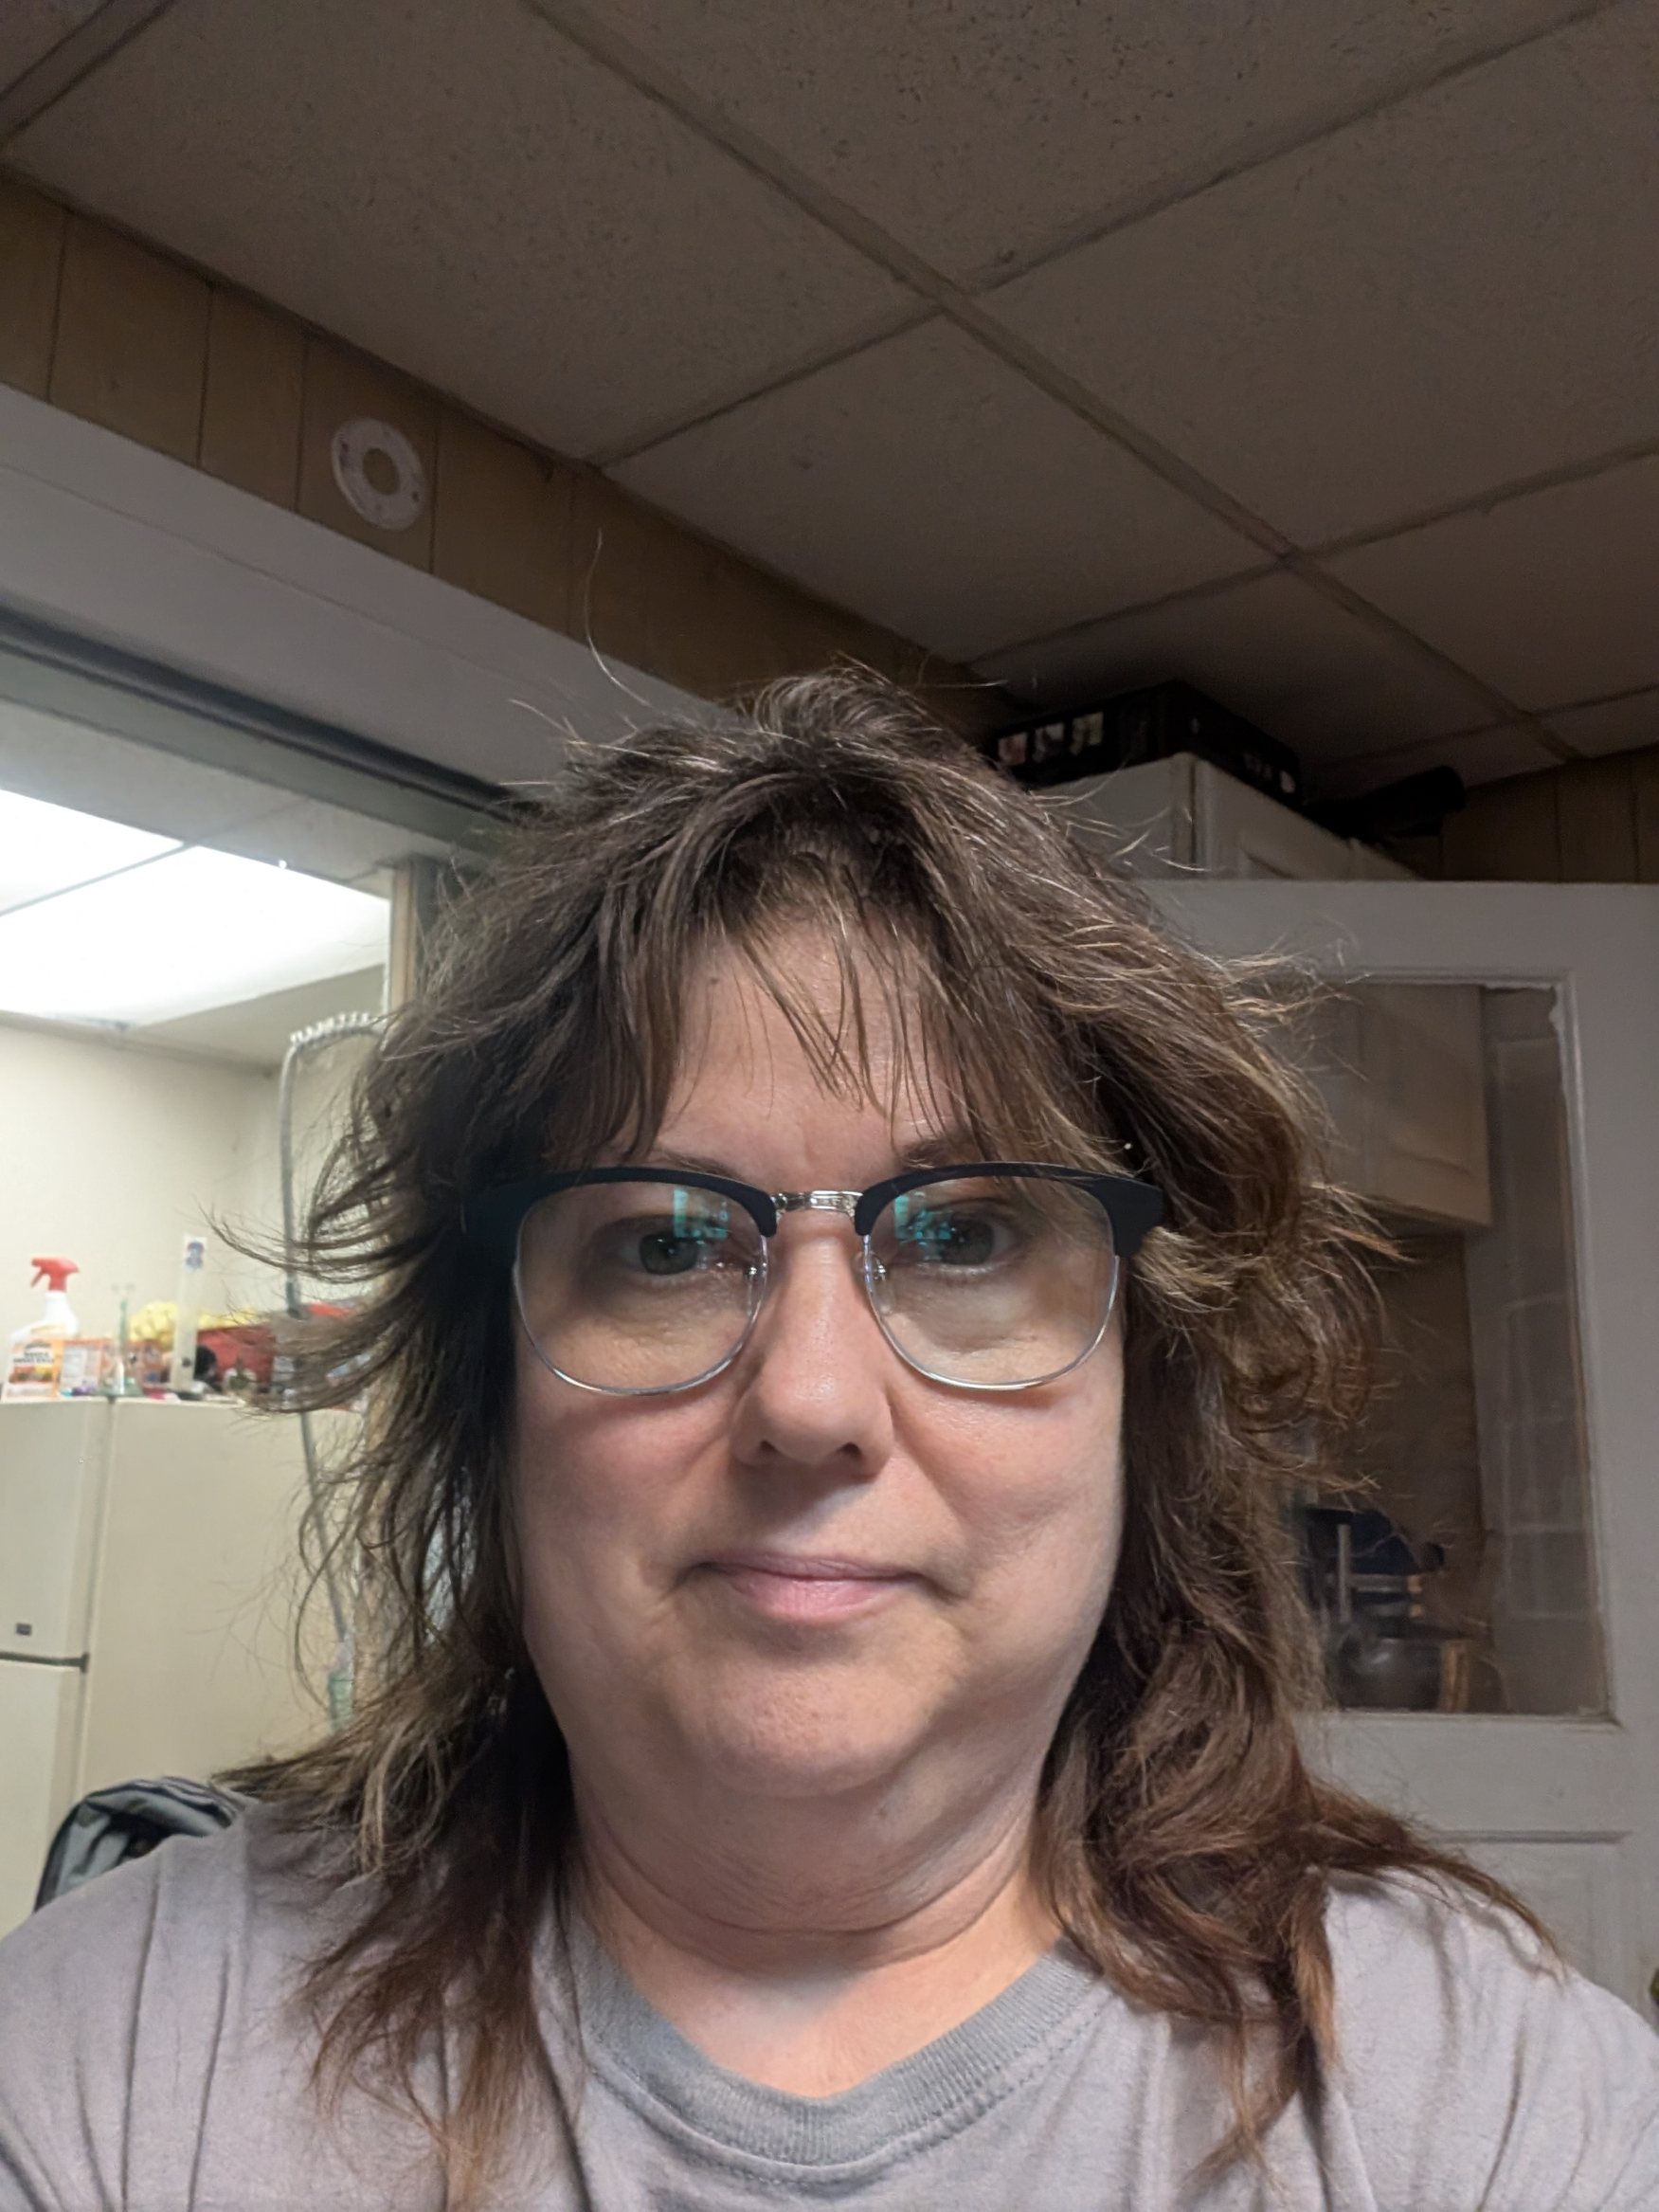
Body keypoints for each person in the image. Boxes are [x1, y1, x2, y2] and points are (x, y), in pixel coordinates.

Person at [1, 670, 1654, 2211]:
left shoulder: (1493, 2100)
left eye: (966, 1237)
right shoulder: (115, 2059)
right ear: (490, 1397)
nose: (808, 1401)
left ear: (1145, 1391)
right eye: (664, 1241)